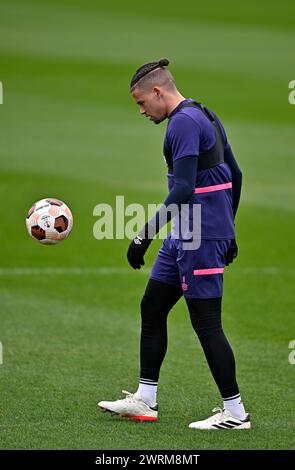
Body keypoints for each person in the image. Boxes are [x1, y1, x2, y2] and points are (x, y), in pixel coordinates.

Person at [98, 59, 250, 429]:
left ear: (157, 91)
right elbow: (237, 173)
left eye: (140, 103)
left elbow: (182, 189)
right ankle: (145, 399)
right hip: (188, 233)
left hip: (200, 235)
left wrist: (142, 234)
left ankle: (235, 413)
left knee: (207, 324)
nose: (141, 111)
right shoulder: (204, 113)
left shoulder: (182, 123)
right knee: (152, 307)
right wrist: (228, 227)